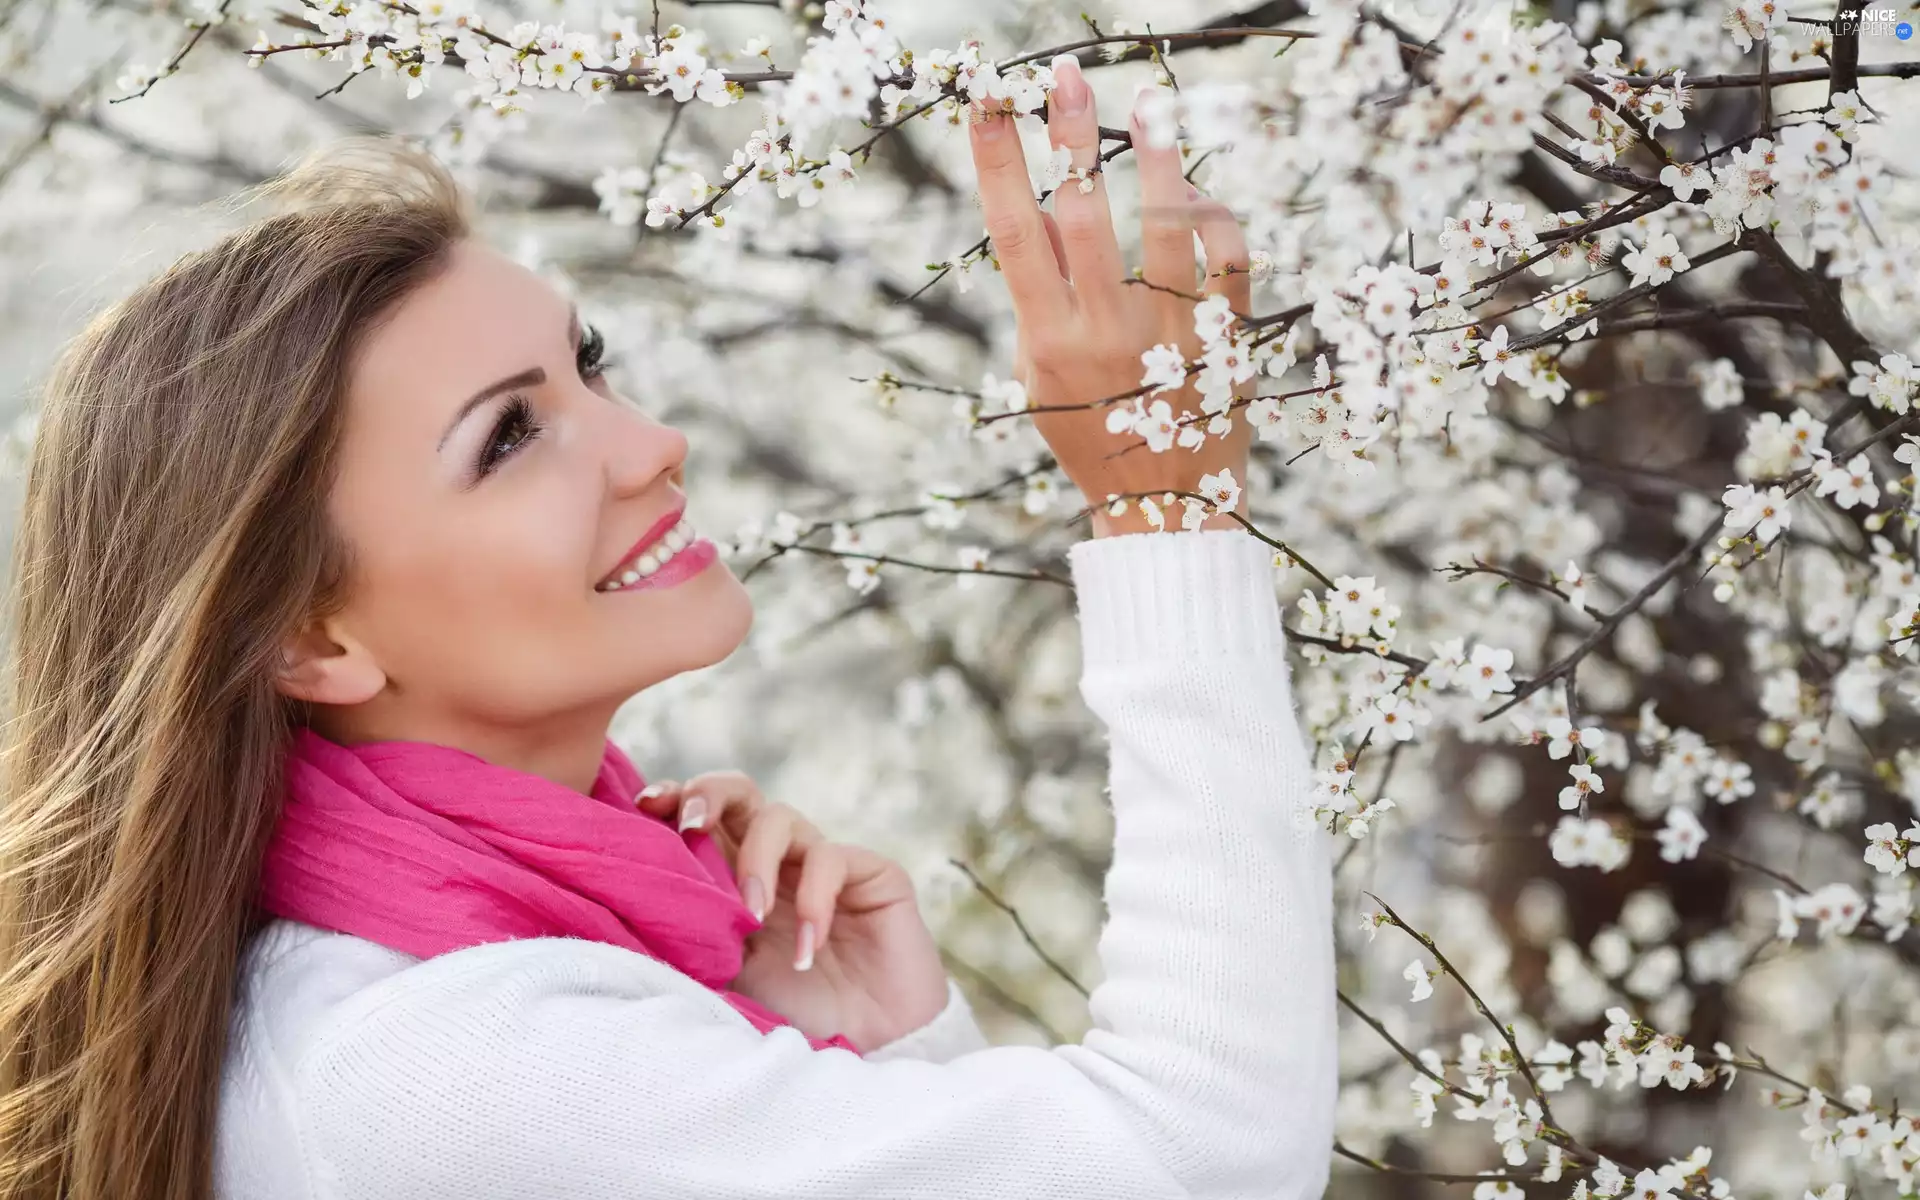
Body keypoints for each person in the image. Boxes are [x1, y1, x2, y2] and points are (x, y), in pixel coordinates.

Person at [0, 55, 1334, 1200]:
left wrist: (883, 1042)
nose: (652, 445)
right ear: (312, 641)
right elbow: (1198, 1156)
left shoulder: (438, 981)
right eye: (508, 437)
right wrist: (1166, 517)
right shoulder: (441, 1062)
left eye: (589, 368)